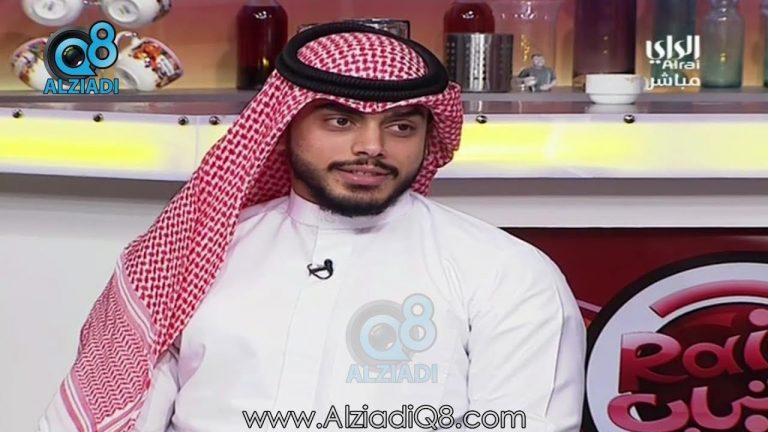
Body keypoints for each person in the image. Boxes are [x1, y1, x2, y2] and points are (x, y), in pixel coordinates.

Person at [37, 22, 585, 431]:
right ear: (285, 126)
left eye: (400, 126)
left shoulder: (505, 274)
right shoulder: (187, 257)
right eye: (340, 120)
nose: (371, 146)